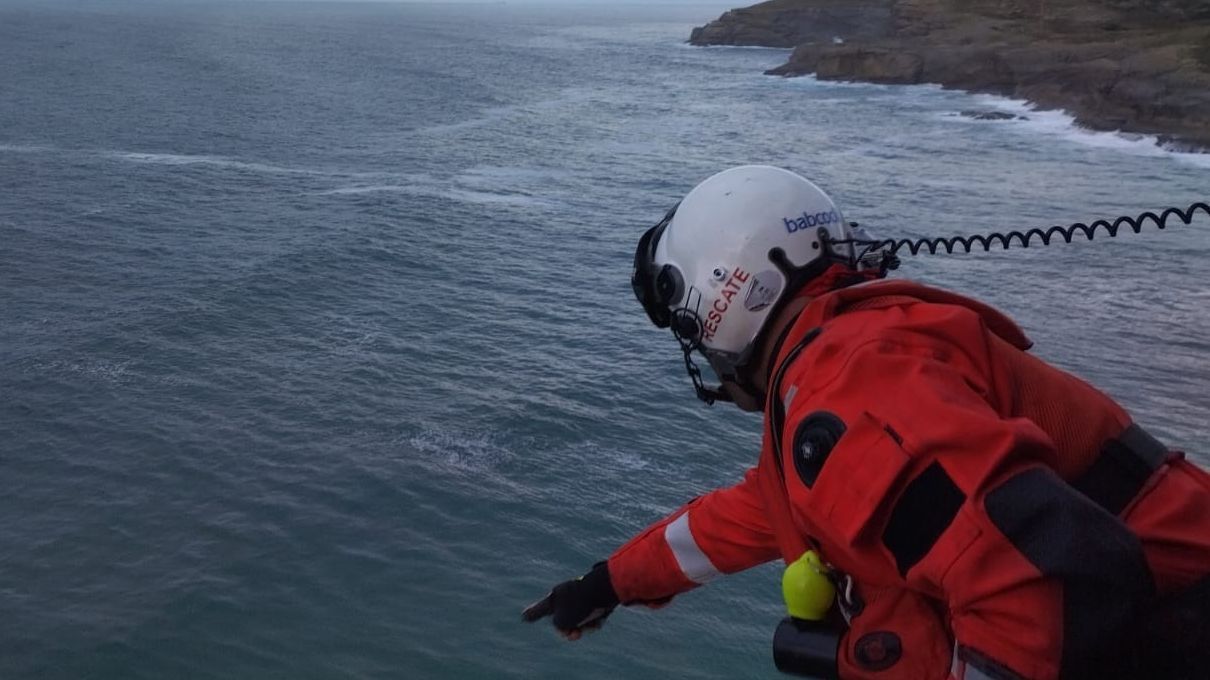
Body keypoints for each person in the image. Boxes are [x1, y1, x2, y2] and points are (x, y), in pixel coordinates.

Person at [522, 166, 1210, 679]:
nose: (702, 352)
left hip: (1173, 628)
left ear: (723, 299)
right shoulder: (854, 358)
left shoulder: (849, 387)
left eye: (691, 329)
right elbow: (734, 523)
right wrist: (607, 584)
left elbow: (1028, 572)